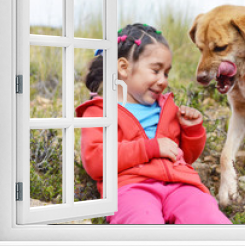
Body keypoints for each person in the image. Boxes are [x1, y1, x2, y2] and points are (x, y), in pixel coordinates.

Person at [76, 23, 231, 224]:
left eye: (166, 73)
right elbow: (96, 162)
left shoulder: (167, 108)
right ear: (123, 68)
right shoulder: (99, 111)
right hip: (131, 188)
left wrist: (192, 131)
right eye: (156, 70)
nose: (163, 80)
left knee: (210, 219)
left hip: (181, 185)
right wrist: (150, 148)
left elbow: (186, 156)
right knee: (143, 225)